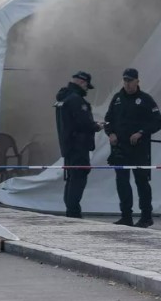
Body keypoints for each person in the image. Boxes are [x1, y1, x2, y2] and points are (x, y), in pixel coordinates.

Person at [104, 68, 161, 227]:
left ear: (137, 81)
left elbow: (158, 122)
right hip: (120, 150)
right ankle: (126, 216)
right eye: (125, 81)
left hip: (139, 149)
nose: (128, 84)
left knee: (142, 182)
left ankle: (146, 216)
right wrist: (110, 134)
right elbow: (107, 120)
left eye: (130, 81)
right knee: (122, 182)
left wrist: (141, 133)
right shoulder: (117, 99)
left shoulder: (145, 99)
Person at [54, 71, 104, 218]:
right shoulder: (77, 100)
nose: (87, 90)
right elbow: (83, 123)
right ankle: (73, 213)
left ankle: (71, 210)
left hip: (68, 146)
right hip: (79, 146)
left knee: (71, 179)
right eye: (87, 86)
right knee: (78, 178)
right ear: (82, 82)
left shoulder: (63, 98)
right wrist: (97, 126)